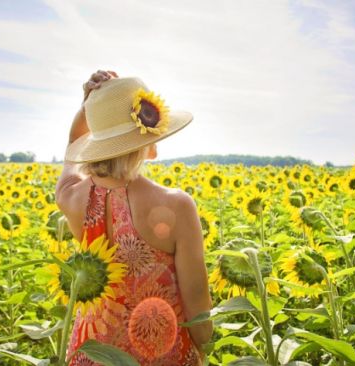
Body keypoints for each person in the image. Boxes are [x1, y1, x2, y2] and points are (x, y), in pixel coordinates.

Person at [55, 70, 213, 365]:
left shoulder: (72, 197)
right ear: (146, 137)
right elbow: (198, 310)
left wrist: (89, 107)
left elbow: (70, 155)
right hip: (162, 355)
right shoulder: (177, 205)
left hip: (91, 355)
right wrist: (204, 350)